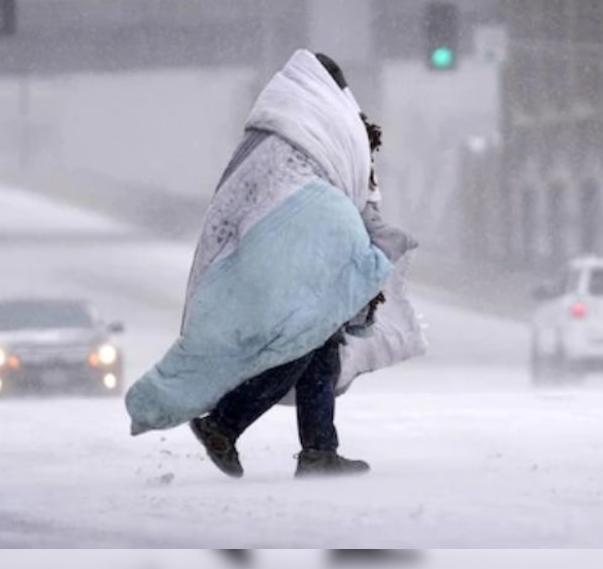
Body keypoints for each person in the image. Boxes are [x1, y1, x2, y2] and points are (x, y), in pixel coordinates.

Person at [125, 50, 419, 479]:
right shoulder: (324, 126)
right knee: (300, 341)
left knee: (319, 344)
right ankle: (224, 424)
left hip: (270, 252)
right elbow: (345, 189)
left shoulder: (273, 131)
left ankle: (319, 450)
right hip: (293, 252)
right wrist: (367, 242)